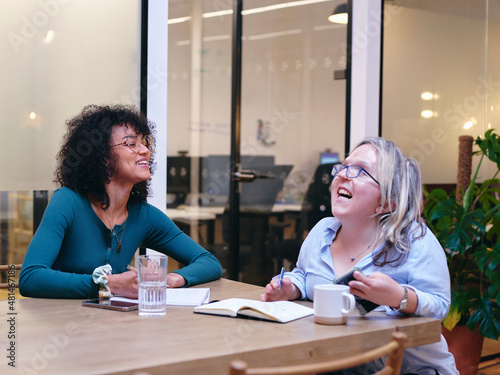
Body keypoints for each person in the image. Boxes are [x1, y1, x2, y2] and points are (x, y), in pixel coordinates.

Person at [260, 137, 458, 375]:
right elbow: (304, 275)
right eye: (343, 167)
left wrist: (398, 297)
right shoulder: (322, 231)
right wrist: (291, 287)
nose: (343, 174)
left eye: (361, 171)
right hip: (341, 366)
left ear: (385, 203)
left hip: (414, 370)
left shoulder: (414, 239)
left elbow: (440, 306)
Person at [19, 104, 222, 299]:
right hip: (61, 326)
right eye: (131, 144)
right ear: (102, 157)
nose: (145, 151)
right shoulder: (67, 202)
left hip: (115, 326)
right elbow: (30, 278)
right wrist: (108, 284)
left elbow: (208, 262)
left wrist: (170, 279)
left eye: (145, 142)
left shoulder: (144, 215)